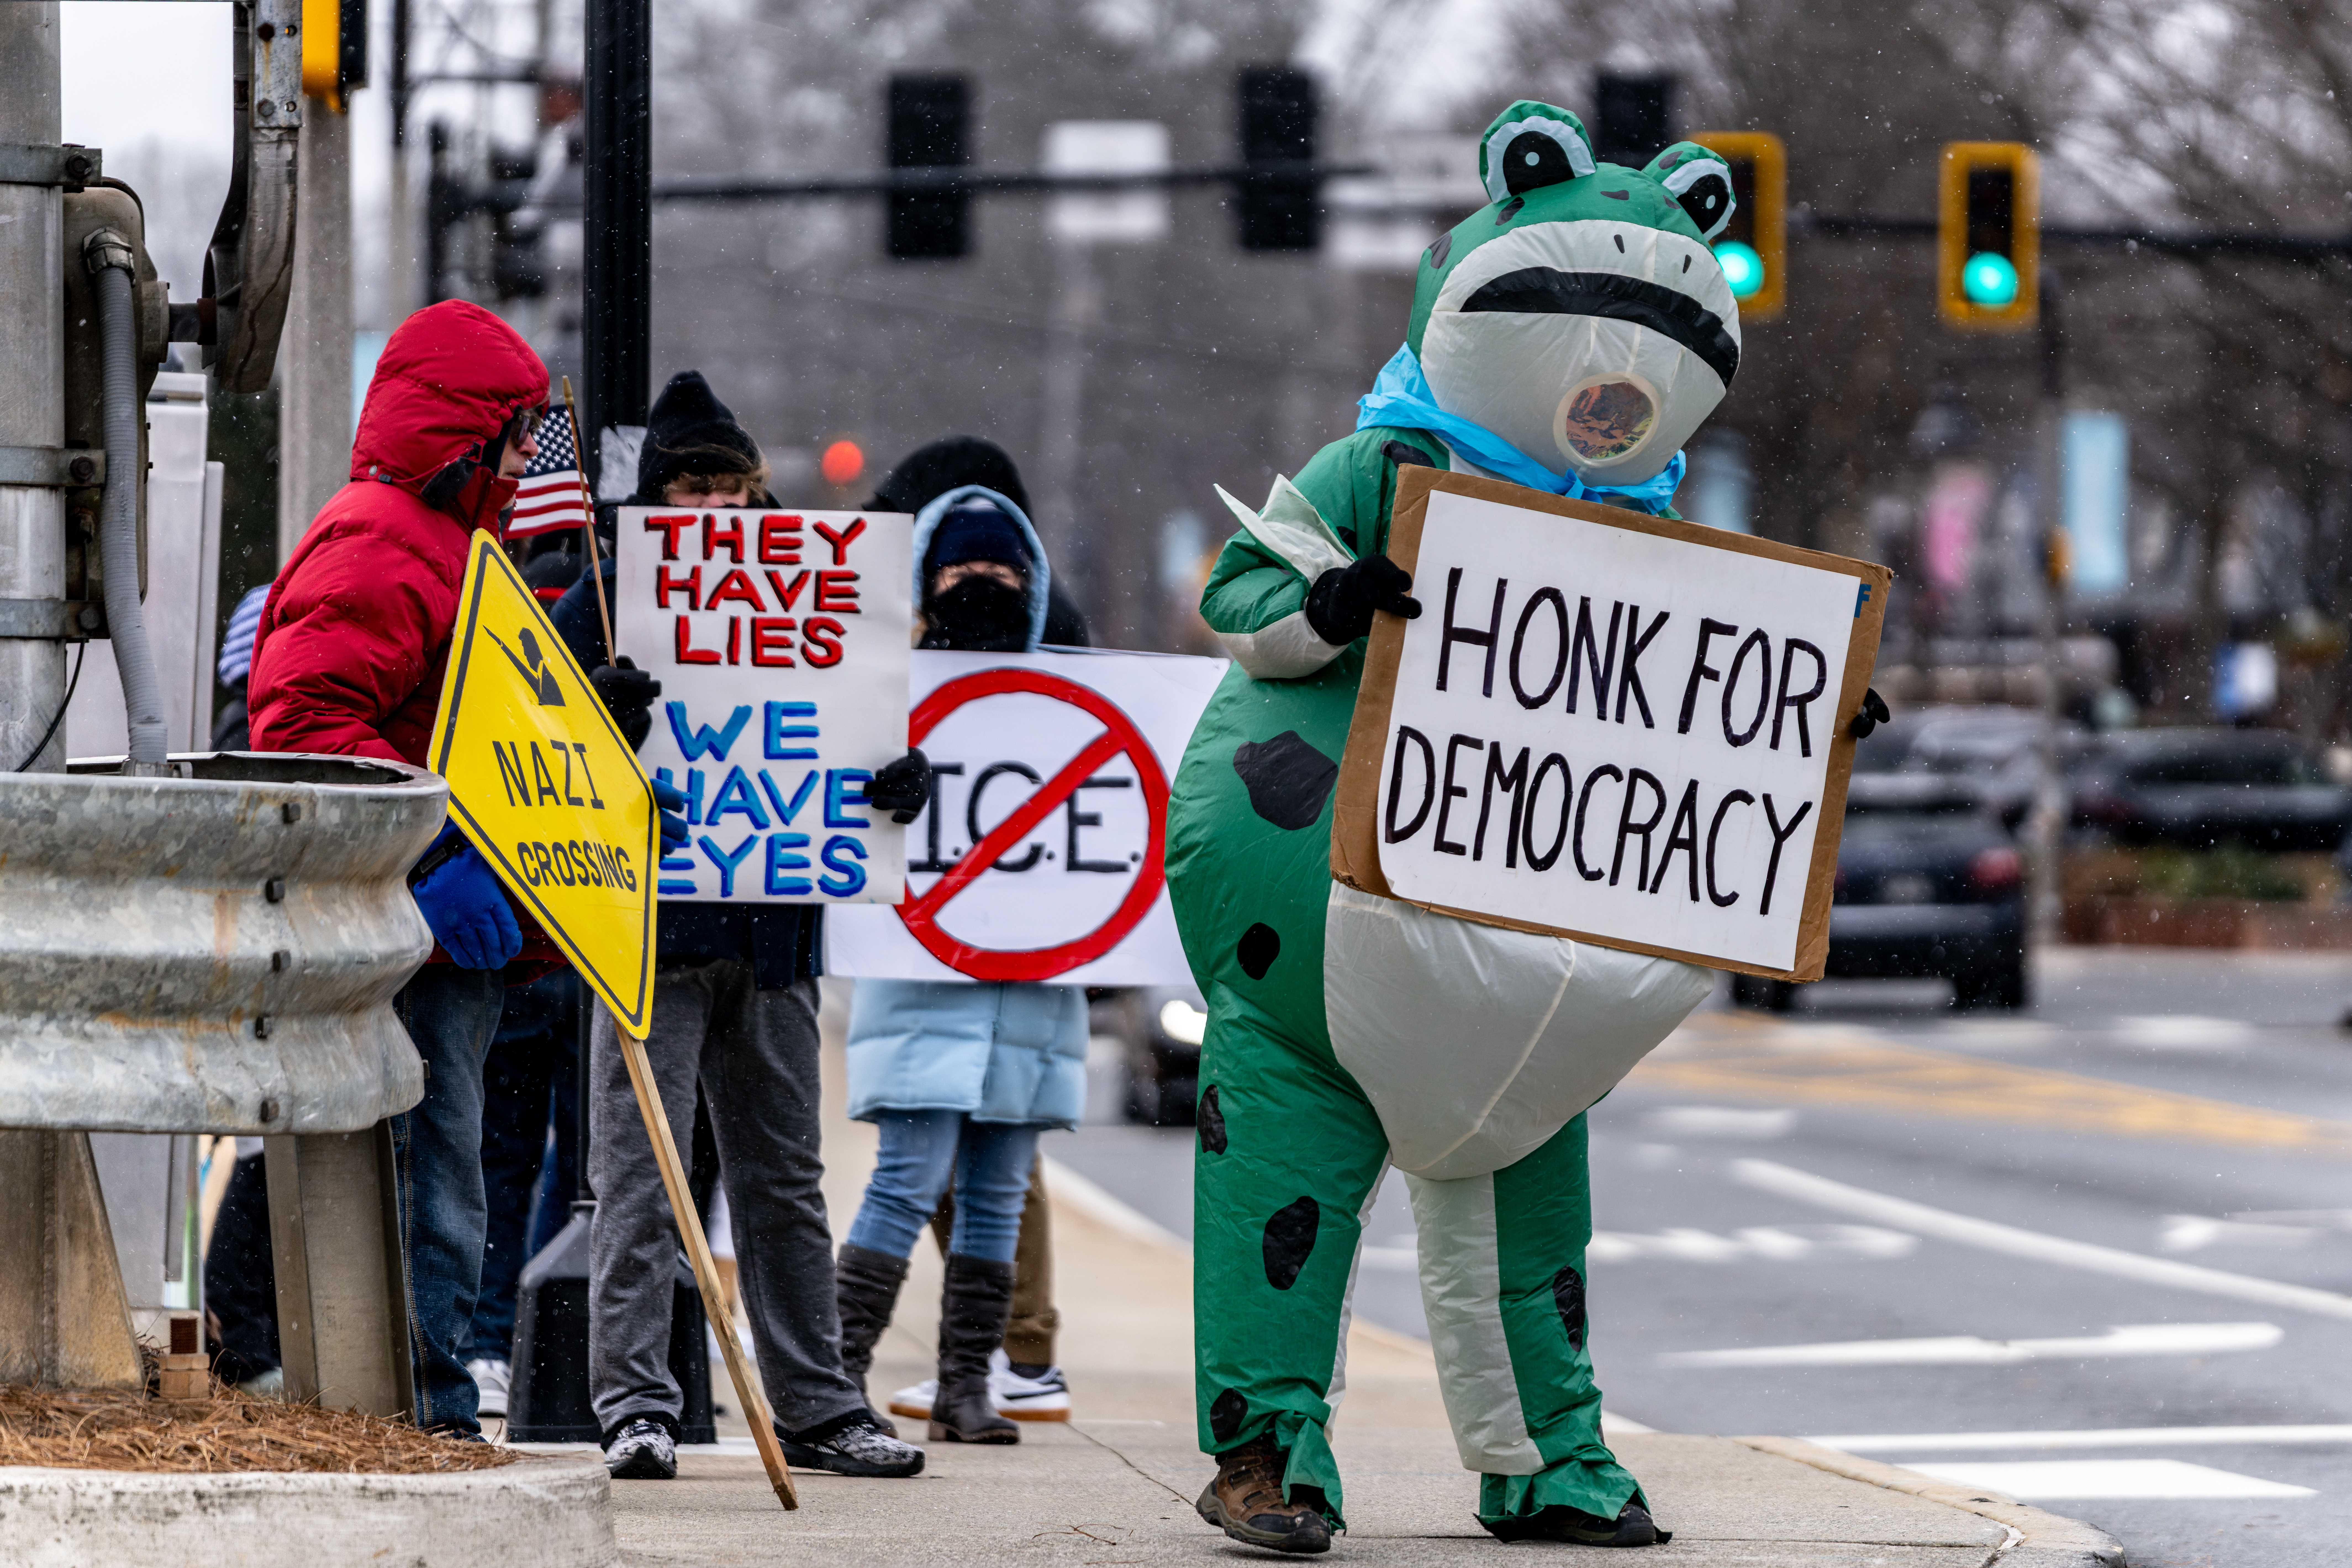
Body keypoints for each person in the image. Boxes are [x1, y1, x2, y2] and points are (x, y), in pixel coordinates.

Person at [1163, 109, 1772, 1551]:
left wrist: (1795, 727)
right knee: (1285, 1182)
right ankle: (1268, 1452)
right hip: (1315, 888)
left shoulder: (1652, 537)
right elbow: (1245, 593)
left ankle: (1548, 1456)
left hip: (1512, 926)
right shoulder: (1383, 471)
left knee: (1522, 1201)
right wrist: (1331, 608)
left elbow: (1720, 696)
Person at [553, 370, 932, 1482]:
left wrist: (901, 784)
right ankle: (634, 1406)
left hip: (773, 937)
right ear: (655, 494)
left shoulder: (819, 591)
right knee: (640, 1178)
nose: (711, 506)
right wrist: (595, 707)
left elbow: (862, 736)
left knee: (784, 1179)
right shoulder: (611, 594)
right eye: (689, 485)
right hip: (651, 943)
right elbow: (533, 739)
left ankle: (817, 1407)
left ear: (754, 488)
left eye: (728, 484)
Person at [246, 299, 595, 1437]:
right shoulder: (387, 540)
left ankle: (417, 1400)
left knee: (440, 1172)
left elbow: (476, 730)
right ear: (461, 435)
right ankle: (421, 1411)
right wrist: (443, 849)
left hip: (432, 918)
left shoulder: (449, 546)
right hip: (407, 919)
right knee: (425, 1175)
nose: (523, 459)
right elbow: (304, 719)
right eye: (513, 434)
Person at [831, 484, 1088, 1446]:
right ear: (925, 584)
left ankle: (963, 1387)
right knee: (906, 1178)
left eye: (1001, 569)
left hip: (1029, 985)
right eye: (959, 567)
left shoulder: (1065, 701)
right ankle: (839, 1375)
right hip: (923, 977)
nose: (981, 582)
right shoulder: (884, 694)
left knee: (995, 1194)